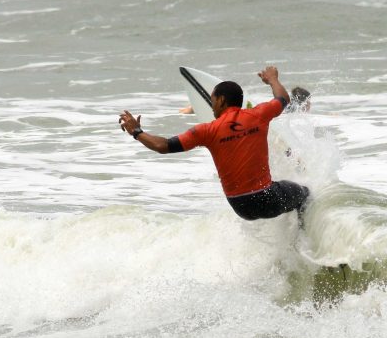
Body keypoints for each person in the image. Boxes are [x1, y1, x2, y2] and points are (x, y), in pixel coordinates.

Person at [119, 66, 310, 221]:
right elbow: (283, 99)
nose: (211, 106)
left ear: (221, 100)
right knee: (306, 195)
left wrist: (137, 132)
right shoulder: (259, 115)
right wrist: (272, 79)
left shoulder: (207, 130)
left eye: (212, 101)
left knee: (284, 194)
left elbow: (163, 146)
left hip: (240, 206)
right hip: (267, 197)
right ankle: (304, 249)